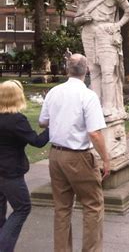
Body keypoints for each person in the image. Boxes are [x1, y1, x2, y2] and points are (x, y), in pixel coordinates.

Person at [39, 54, 110, 252]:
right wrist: (106, 159)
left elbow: (42, 121)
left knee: (61, 208)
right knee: (92, 205)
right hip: (78, 156)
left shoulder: (54, 92)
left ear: (67, 69)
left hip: (56, 155)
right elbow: (94, 133)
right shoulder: (88, 95)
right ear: (86, 70)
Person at [74, 0, 129, 120]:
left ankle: (108, 106)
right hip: (88, 32)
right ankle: (96, 105)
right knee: (94, 70)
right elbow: (76, 20)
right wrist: (83, 19)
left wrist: (117, 25)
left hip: (106, 32)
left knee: (108, 70)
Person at [0, 80, 49, 252]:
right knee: (22, 208)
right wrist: (52, 127)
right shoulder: (17, 120)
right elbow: (37, 141)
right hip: (10, 173)